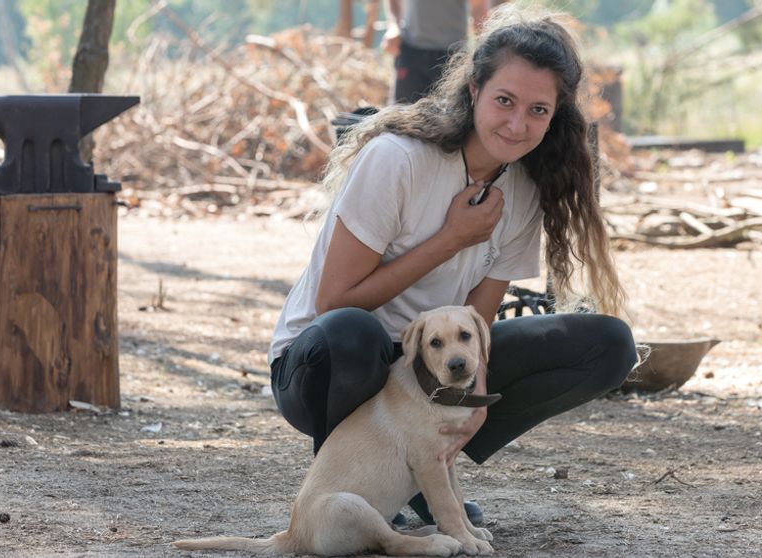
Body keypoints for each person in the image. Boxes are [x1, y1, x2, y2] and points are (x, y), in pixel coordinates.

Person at [268, 5, 638, 526]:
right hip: (325, 364)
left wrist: (478, 397)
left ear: (555, 117)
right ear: (473, 92)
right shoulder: (398, 158)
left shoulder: (523, 190)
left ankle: (426, 469)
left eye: (538, 110)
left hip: (435, 367)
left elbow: (477, 319)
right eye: (504, 101)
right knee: (353, 334)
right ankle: (357, 483)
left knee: (608, 344)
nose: (517, 124)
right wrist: (451, 239)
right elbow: (334, 301)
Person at [381, 0, 507, 104]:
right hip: (411, 52)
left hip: (453, 57)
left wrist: (490, 54)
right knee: (401, 116)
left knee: (451, 120)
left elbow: (478, 8)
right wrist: (393, 26)